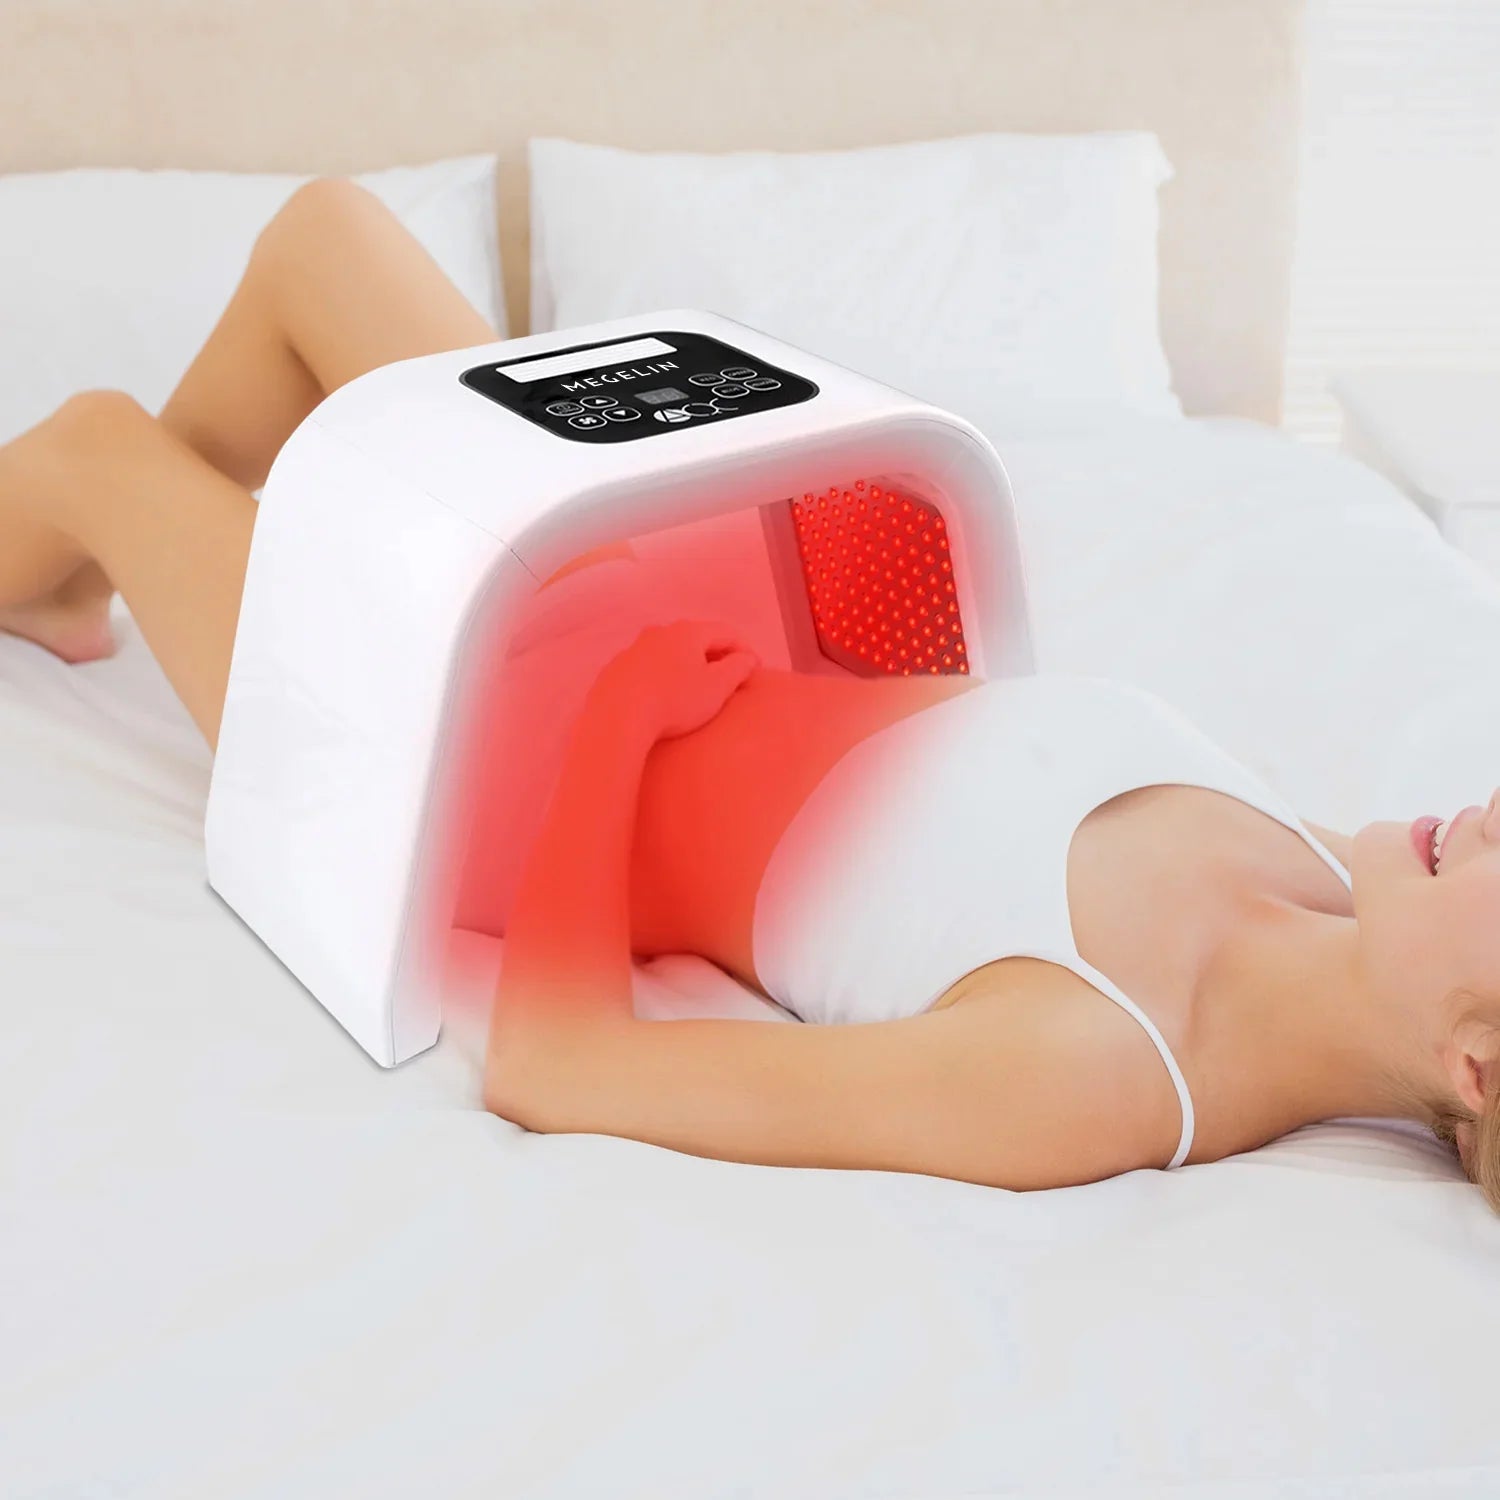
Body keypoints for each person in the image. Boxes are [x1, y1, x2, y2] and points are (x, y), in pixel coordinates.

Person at [4, 180, 1497, 1204]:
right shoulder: (1328, 880)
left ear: (1474, 1065)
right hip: (636, 593)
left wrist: (612, 729)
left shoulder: (1095, 1074)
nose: (1492, 812)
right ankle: (121, 573)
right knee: (322, 242)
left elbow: (562, 1070)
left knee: (95, 445)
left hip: (482, 760)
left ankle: (124, 545)